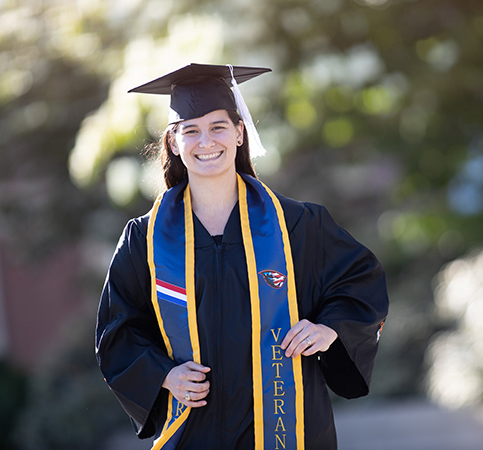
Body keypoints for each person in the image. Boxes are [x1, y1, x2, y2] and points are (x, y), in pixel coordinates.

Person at [95, 63, 389, 450]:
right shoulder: (145, 240)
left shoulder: (295, 224)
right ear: (173, 143)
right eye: (191, 131)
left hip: (290, 426)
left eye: (218, 127)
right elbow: (118, 328)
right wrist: (165, 375)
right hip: (192, 431)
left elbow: (360, 280)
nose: (206, 142)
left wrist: (327, 328)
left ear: (239, 133)